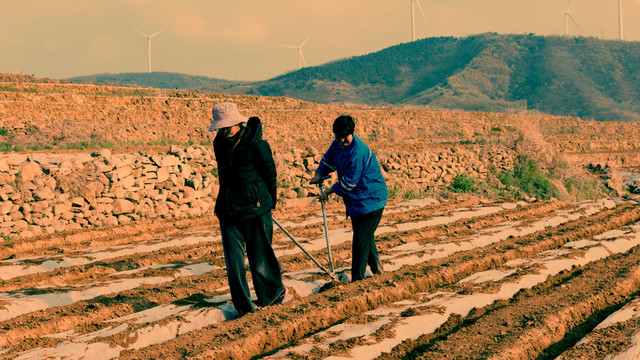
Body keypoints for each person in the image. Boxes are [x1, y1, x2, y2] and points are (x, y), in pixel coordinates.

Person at [208, 102, 286, 317]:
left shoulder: (257, 144)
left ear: (238, 123)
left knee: (260, 257)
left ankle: (272, 295)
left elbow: (270, 174)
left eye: (227, 128)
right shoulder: (219, 144)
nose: (223, 132)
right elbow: (224, 176)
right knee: (234, 262)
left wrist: (270, 202)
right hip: (229, 209)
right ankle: (244, 308)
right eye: (220, 129)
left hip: (256, 209)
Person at [310, 115, 388, 282]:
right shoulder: (337, 144)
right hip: (357, 201)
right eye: (338, 137)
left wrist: (329, 191)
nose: (342, 141)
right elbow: (328, 159)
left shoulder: (358, 152)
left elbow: (349, 183)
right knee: (365, 236)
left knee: (360, 240)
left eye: (345, 137)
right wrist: (319, 173)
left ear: (352, 132)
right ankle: (378, 271)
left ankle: (357, 280)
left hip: (372, 199)